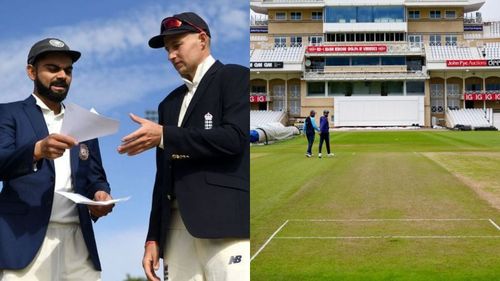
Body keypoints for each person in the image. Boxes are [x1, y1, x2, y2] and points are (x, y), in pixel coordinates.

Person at [117, 12, 249, 281]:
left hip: (224, 222)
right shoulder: (168, 103)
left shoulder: (235, 77)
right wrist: (153, 238)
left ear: (202, 39)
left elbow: (234, 139)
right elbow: (162, 177)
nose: (170, 56)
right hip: (175, 230)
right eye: (167, 50)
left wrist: (166, 135)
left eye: (176, 46)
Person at [0, 38, 114, 281]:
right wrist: (37, 150)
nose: (62, 75)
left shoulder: (84, 122)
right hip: (24, 241)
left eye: (68, 70)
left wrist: (100, 196)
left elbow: (96, 178)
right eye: (53, 68)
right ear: (31, 72)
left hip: (79, 242)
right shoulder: (8, 114)